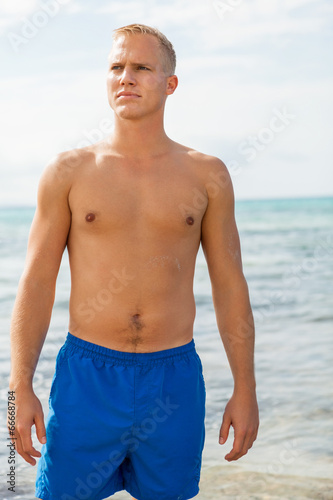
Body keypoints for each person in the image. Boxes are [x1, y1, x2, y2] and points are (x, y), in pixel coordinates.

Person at [8, 23, 259, 500]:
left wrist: (245, 387)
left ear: (170, 83)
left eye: (142, 67)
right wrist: (17, 389)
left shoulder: (208, 175)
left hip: (174, 378)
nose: (126, 77)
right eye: (116, 67)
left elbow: (230, 286)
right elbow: (36, 283)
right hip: (88, 376)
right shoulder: (69, 172)